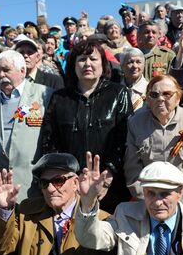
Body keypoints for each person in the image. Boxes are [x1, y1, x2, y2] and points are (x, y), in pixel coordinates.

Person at [41, 40, 133, 213]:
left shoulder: (118, 93)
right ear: (74, 65)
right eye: (82, 59)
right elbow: (50, 142)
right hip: (69, 184)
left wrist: (107, 177)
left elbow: (124, 138)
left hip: (111, 186)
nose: (88, 64)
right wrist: (65, 178)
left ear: (103, 64)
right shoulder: (59, 98)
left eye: (93, 59)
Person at [0, 50, 53, 202]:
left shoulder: (45, 95)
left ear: (22, 71)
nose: (1, 75)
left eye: (6, 70)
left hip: (35, 185)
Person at [124, 75, 183, 210]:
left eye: (167, 94)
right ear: (148, 100)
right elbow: (132, 168)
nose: (160, 99)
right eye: (154, 95)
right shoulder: (135, 123)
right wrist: (150, 203)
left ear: (178, 98)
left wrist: (181, 205)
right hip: (147, 204)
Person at [120, 47, 148, 111]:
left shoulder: (150, 90)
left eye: (138, 62)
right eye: (130, 62)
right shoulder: (114, 90)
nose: (135, 66)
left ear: (144, 65)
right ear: (122, 66)